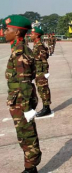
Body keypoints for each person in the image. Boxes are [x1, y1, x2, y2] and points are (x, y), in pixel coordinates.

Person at [3, 15, 42, 173]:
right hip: (18, 99)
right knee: (23, 134)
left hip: (21, 100)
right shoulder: (17, 49)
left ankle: (30, 168)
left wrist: (27, 108)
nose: (4, 32)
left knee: (27, 134)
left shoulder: (20, 52)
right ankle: (30, 166)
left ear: (17, 33)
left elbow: (24, 82)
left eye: (7, 29)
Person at [30, 27, 52, 117]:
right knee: (40, 89)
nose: (31, 35)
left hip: (41, 72)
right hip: (38, 71)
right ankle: (45, 107)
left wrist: (46, 72)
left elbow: (44, 59)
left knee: (44, 89)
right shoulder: (36, 44)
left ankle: (46, 108)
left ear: (37, 35)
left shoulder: (39, 45)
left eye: (32, 34)